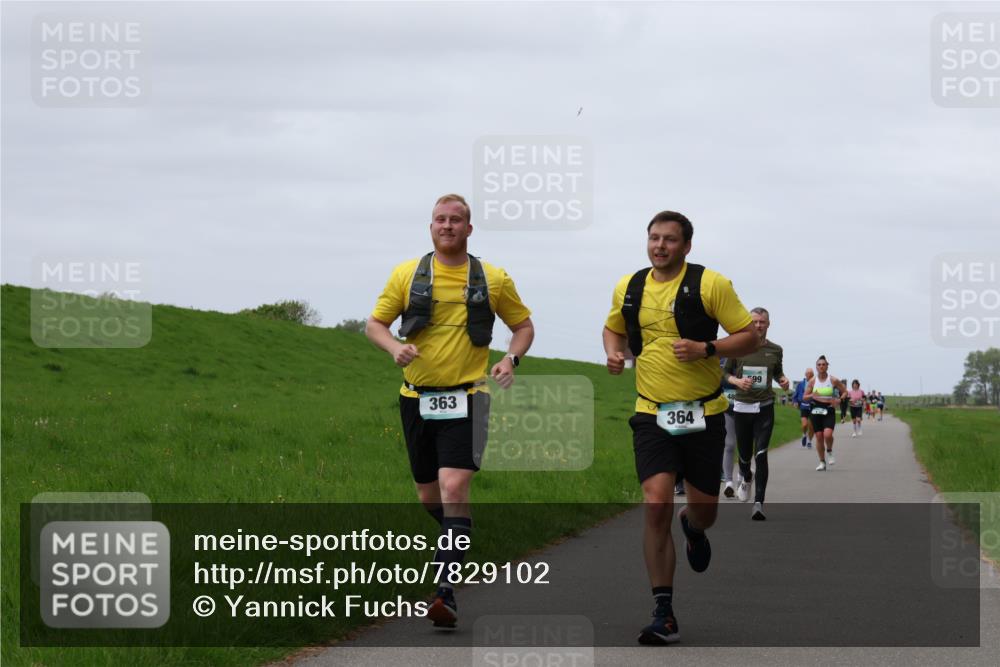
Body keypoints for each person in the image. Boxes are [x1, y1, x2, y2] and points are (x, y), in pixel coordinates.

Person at [365, 194, 535, 628]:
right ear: (430, 227)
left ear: (469, 229)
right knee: (430, 496)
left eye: (456, 219)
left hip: (469, 396)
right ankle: (458, 537)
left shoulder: (493, 278)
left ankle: (444, 593)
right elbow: (375, 325)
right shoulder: (407, 274)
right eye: (440, 219)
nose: (447, 225)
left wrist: (509, 360)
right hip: (416, 399)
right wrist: (394, 348)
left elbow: (523, 326)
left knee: (454, 487)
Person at [603, 210, 757, 645]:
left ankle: (694, 525)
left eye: (670, 240)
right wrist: (615, 354)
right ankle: (663, 611)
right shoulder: (629, 287)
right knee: (655, 504)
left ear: (687, 246)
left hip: (704, 414)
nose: (660, 246)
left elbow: (748, 336)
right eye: (654, 238)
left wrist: (707, 346)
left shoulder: (711, 284)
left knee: (704, 508)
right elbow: (612, 329)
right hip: (651, 412)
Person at [723, 308, 790, 520]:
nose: (758, 325)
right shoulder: (738, 347)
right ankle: (746, 475)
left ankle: (759, 503)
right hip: (742, 406)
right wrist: (737, 381)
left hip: (765, 407)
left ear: (768, 324)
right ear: (749, 324)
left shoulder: (776, 350)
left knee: (761, 454)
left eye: (762, 322)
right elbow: (724, 373)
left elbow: (778, 371)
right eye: (755, 322)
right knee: (744, 457)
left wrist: (783, 380)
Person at [803, 355, 849, 471]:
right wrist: (812, 395)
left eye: (823, 364)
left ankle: (829, 450)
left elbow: (845, 392)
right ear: (816, 367)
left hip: (829, 409)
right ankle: (822, 462)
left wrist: (839, 399)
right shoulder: (813, 381)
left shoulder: (833, 380)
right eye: (819, 365)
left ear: (827, 366)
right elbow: (805, 397)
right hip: (816, 409)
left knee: (827, 435)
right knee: (819, 436)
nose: (821, 366)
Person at [792, 368, 815, 448]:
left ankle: (809, 441)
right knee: (804, 425)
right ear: (805, 374)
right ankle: (804, 434)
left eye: (811, 374)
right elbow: (795, 394)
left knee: (812, 426)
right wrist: (795, 401)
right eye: (808, 374)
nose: (810, 375)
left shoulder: (815, 383)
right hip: (803, 405)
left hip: (813, 406)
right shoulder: (801, 384)